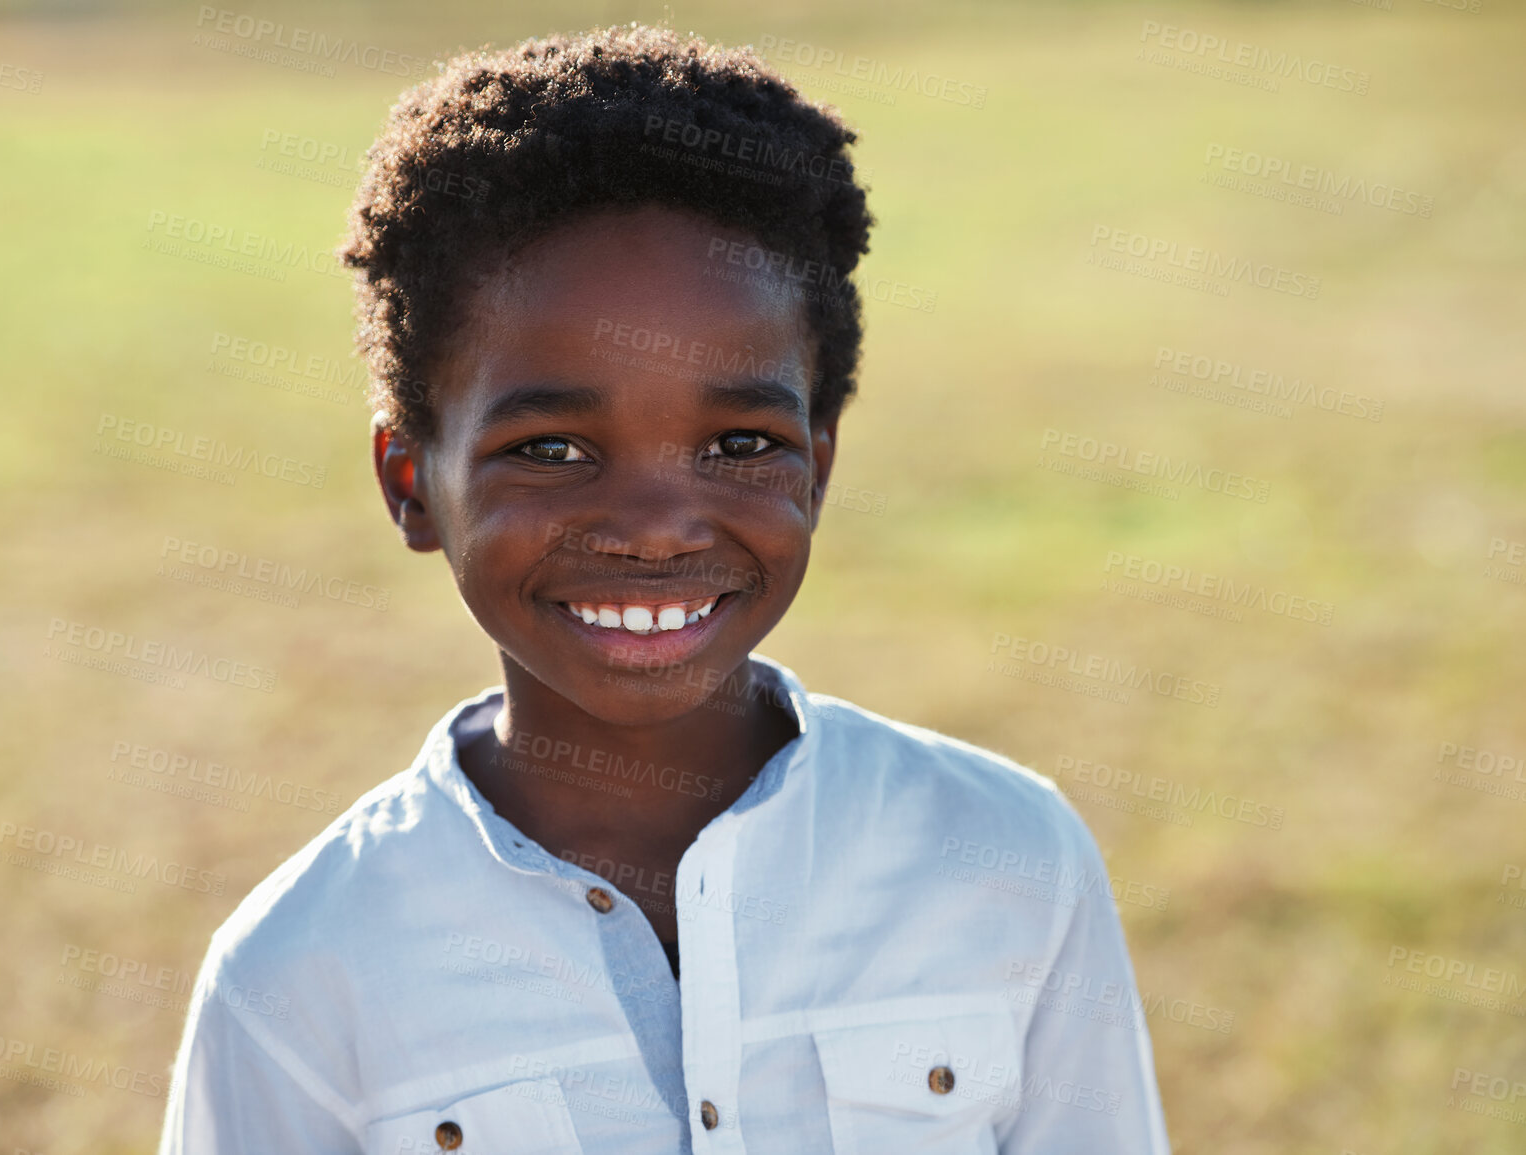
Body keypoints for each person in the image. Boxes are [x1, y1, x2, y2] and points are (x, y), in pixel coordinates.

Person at [160, 23, 1170, 1154]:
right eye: (550, 449)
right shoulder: (301, 974)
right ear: (411, 485)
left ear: (818, 466)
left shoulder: (1006, 854)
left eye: (739, 444)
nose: (653, 530)